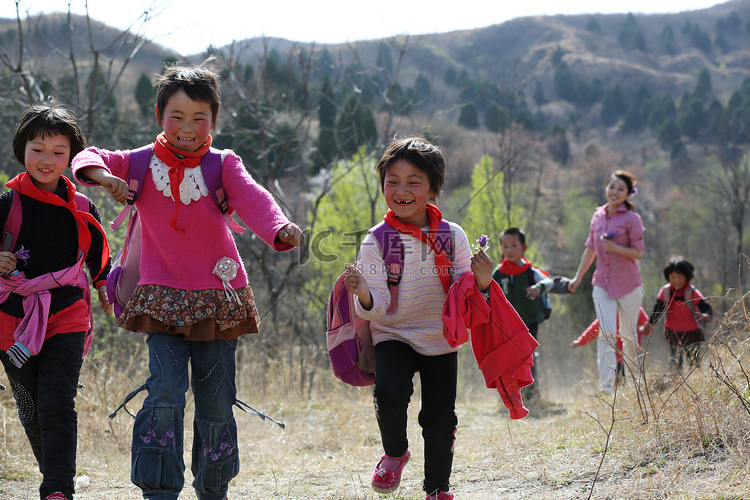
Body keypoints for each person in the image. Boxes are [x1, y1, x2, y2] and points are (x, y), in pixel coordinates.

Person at [71, 62, 303, 500]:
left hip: (218, 298)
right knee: (164, 393)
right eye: (177, 117)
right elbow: (88, 157)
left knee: (216, 400)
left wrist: (280, 228)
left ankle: (213, 489)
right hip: (161, 300)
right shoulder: (139, 162)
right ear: (160, 116)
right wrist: (106, 178)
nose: (187, 128)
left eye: (200, 118)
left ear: (213, 121)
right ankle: (159, 490)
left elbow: (254, 198)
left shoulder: (222, 165)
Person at [343, 137, 495, 500]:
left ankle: (437, 490)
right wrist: (363, 291)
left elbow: (464, 293)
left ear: (434, 188)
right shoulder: (376, 240)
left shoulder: (451, 235)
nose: (401, 190)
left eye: (414, 181)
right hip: (392, 332)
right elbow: (377, 305)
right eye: (392, 181)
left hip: (441, 338)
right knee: (391, 392)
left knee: (441, 421)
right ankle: (395, 452)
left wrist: (484, 281)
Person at [0, 103, 112, 500]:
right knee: (31, 407)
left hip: (66, 313)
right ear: (21, 149)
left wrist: (104, 288)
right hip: (12, 322)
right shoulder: (5, 203)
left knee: (57, 402)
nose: (47, 160)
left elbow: (100, 257)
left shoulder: (82, 207)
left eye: (58, 152)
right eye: (37, 149)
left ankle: (57, 490)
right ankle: (56, 477)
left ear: (71, 156)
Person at [569, 170, 645, 394]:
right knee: (606, 333)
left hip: (629, 285)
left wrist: (616, 248)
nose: (615, 192)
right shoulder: (597, 216)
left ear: (628, 194)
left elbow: (638, 253)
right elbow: (591, 248)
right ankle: (606, 387)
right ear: (606, 188)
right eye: (612, 187)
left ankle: (634, 384)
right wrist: (578, 276)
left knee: (629, 335)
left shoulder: (632, 219)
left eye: (621, 189)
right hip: (601, 283)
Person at [492, 227, 553, 400]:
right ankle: (508, 392)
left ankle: (530, 393)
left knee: (528, 356)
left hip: (528, 322)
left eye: (513, 245)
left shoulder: (530, 271)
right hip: (504, 323)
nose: (509, 250)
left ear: (523, 247)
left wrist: (537, 288)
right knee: (505, 356)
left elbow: (548, 282)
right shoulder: (499, 272)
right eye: (505, 246)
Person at [640, 257, 712, 372]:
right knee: (675, 363)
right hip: (672, 333)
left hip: (692, 334)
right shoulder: (665, 292)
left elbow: (706, 308)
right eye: (673, 277)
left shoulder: (692, 292)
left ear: (686, 277)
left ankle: (697, 385)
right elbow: (657, 310)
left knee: (694, 363)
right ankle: (676, 383)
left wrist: (706, 315)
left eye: (679, 277)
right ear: (668, 277)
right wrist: (649, 324)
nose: (676, 280)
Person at [571, 308, 649, 385]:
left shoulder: (634, 307)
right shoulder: (609, 311)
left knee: (633, 378)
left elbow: (647, 325)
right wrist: (581, 341)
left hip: (631, 355)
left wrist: (646, 329)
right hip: (615, 356)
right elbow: (595, 327)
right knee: (618, 382)